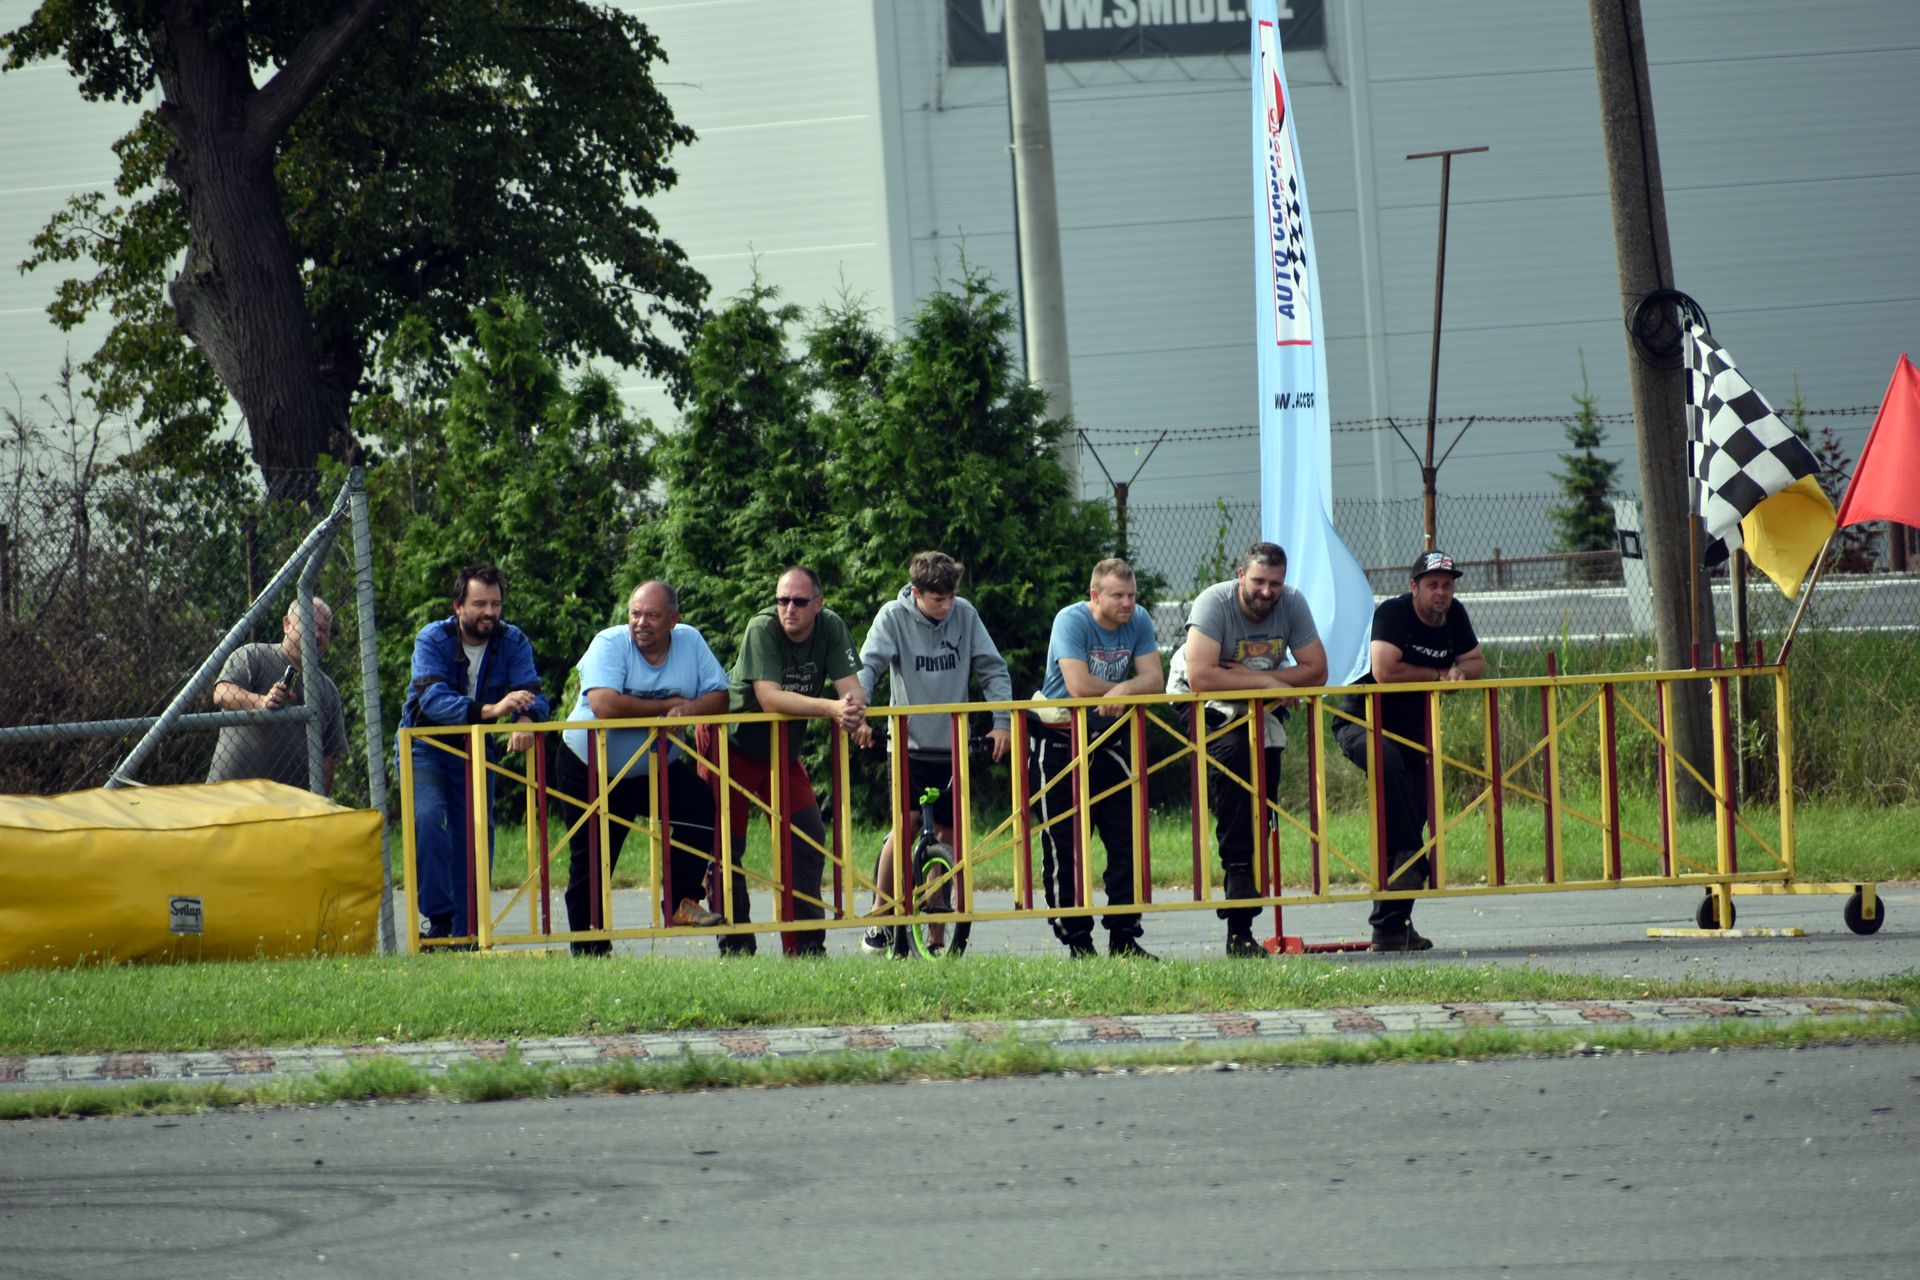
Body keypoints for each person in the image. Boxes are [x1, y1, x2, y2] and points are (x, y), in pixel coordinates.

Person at [851, 551, 1013, 954]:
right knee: (905, 825)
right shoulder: (893, 616)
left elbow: (992, 668)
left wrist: (1002, 722)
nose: (947, 606)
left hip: (951, 745)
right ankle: (879, 916)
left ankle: (936, 935)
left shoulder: (965, 615)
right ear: (917, 592)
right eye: (938, 599)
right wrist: (860, 715)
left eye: (951, 596)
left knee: (947, 837)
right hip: (908, 745)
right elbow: (867, 668)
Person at [555, 581, 728, 956]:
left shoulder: (690, 642)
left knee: (698, 803)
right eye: (635, 614)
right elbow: (605, 705)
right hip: (590, 767)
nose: (640, 623)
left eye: (652, 615)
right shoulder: (609, 642)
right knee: (594, 856)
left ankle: (681, 903)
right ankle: (589, 949)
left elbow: (721, 696)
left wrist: (690, 709)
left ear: (674, 620)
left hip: (653, 767)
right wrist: (668, 707)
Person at [702, 566, 865, 956]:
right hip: (730, 744)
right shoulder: (762, 628)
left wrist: (854, 712)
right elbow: (770, 698)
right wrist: (832, 708)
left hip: (780, 752)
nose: (789, 609)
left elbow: (853, 690)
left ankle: (805, 946)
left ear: (818, 603)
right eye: (782, 600)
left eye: (799, 601)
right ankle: (736, 946)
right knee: (724, 849)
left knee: (807, 838)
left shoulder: (831, 626)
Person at [1175, 542, 1328, 957]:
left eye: (1275, 583)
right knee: (1235, 760)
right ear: (1241, 575)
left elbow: (1317, 670)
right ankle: (1238, 875)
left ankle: (1241, 928)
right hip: (1201, 700)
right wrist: (1267, 680)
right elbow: (1202, 677)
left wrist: (1254, 679)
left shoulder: (1292, 603)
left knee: (1263, 799)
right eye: (1258, 581)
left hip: (1263, 703)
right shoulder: (1213, 602)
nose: (1266, 591)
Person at [1334, 549, 1485, 952]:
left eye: (1447, 585)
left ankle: (1391, 928)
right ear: (1414, 586)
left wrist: (1459, 672)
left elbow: (1476, 661)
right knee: (1389, 765)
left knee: (1409, 815)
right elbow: (1385, 671)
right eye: (1433, 585)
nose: (1441, 593)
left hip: (1412, 730)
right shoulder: (1393, 613)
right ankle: (1412, 861)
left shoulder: (1454, 615)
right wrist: (1438, 673)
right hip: (1362, 720)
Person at [399, 565, 548, 943]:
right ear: (458, 606)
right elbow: (432, 700)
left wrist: (526, 719)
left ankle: (469, 931)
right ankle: (440, 920)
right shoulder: (433, 638)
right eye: (480, 604)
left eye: (495, 604)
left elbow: (533, 692)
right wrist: (494, 710)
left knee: (475, 833)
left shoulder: (513, 640)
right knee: (427, 819)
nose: (489, 612)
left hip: (477, 747)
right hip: (426, 745)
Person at [1029, 558, 1164, 959]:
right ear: (1095, 595)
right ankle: (1078, 942)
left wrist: (1124, 691)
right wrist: (1120, 689)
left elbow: (1154, 680)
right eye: (1118, 596)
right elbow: (1078, 684)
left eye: (1132, 595)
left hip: (1110, 740)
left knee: (1126, 839)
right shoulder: (1070, 621)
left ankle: (1124, 937)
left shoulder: (1139, 619)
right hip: (1060, 741)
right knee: (1064, 844)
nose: (1128, 603)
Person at [208, 597, 349, 795]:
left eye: (324, 629)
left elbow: (329, 758)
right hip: (230, 798)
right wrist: (261, 702)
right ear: (287, 624)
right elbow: (222, 693)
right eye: (309, 625)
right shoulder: (253, 655)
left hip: (289, 807)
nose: (317, 635)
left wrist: (318, 805)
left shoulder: (328, 690)